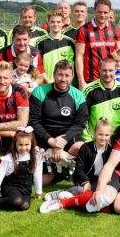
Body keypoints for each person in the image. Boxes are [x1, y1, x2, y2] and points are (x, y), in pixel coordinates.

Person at [28, 60, 88, 189]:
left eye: (67, 75)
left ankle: (76, 173)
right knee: (43, 180)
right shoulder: (39, 92)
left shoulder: (78, 95)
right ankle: (56, 172)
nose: (63, 79)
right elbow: (33, 121)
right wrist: (51, 141)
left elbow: (79, 124)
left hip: (68, 138)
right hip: (44, 138)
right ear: (54, 74)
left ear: (72, 77)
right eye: (60, 75)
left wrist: (61, 142)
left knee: (82, 148)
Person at [38, 119, 114, 212]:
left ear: (110, 136)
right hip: (85, 179)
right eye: (100, 134)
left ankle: (68, 196)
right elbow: (79, 169)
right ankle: (62, 194)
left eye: (106, 135)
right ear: (95, 134)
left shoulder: (111, 150)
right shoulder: (85, 147)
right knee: (84, 190)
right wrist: (86, 182)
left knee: (97, 194)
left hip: (100, 180)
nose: (103, 138)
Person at [75, 0, 120, 89]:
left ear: (110, 12)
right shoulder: (84, 30)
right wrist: (81, 80)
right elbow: (79, 56)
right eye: (99, 12)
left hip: (112, 78)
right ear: (94, 11)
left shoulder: (115, 29)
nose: (102, 15)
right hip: (91, 79)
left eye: (105, 12)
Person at [82, 57, 120, 141]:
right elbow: (83, 118)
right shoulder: (88, 90)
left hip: (118, 139)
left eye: (110, 70)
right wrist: (89, 140)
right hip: (95, 140)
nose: (107, 74)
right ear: (99, 69)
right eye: (104, 70)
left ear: (116, 69)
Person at [35, 10, 76, 80]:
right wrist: (47, 81)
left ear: (63, 23)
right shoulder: (40, 42)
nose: (55, 24)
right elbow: (37, 64)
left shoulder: (70, 42)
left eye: (58, 22)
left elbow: (72, 65)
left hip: (64, 83)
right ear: (48, 22)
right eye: (52, 22)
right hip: (46, 83)